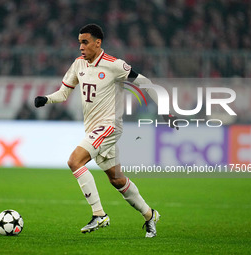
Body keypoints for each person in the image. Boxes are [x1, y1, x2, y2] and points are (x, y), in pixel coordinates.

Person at [34, 24, 177, 238]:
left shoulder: (114, 65)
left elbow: (145, 83)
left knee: (75, 161)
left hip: (109, 126)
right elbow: (64, 93)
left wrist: (165, 110)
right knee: (117, 179)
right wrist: (46, 99)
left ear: (97, 42)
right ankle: (149, 215)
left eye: (85, 42)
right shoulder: (78, 64)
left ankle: (99, 214)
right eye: (79, 42)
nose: (81, 47)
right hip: (93, 128)